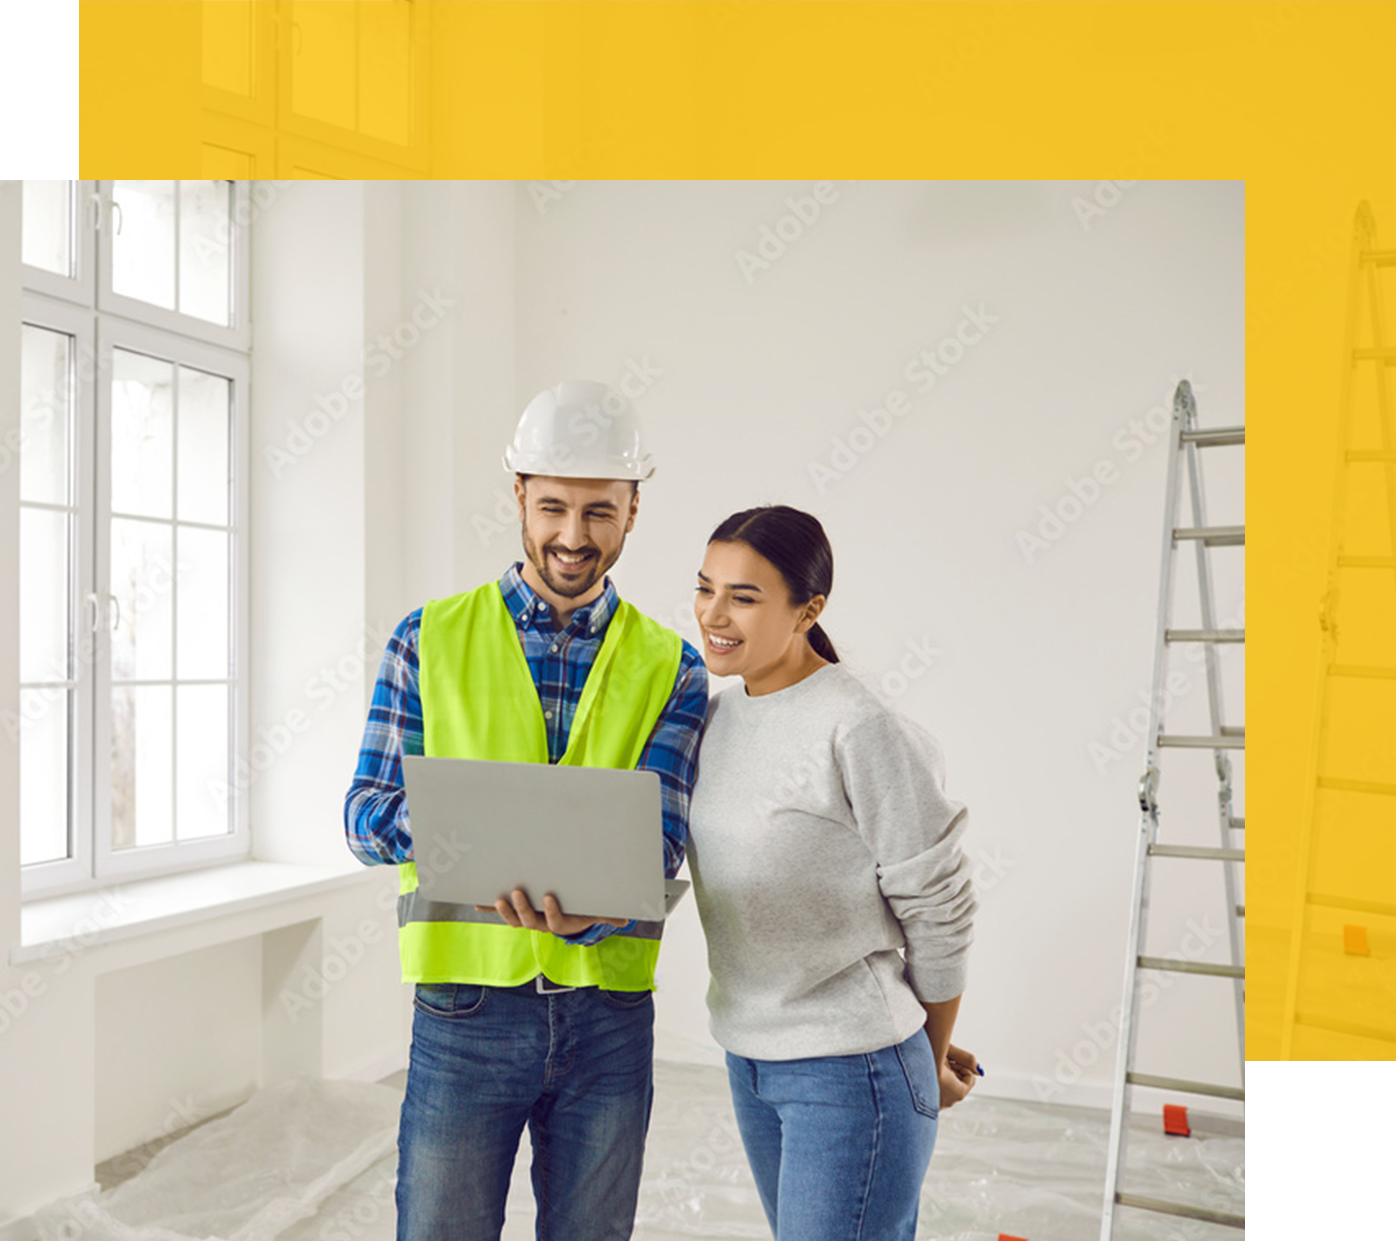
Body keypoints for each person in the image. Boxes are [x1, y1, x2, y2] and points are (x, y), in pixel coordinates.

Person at [344, 379, 708, 1241]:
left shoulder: (675, 667)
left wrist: (589, 898)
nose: (572, 537)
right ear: (517, 496)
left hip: (608, 1015)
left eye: (598, 512)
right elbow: (364, 817)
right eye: (551, 507)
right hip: (465, 1008)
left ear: (633, 508)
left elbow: (658, 842)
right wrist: (469, 833)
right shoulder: (425, 638)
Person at [687, 504, 978, 1241]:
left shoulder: (857, 723)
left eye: (744, 596)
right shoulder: (715, 720)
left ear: (807, 609)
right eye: (705, 587)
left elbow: (941, 906)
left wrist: (929, 1054)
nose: (715, 614)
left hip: (851, 1073)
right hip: (750, 1057)